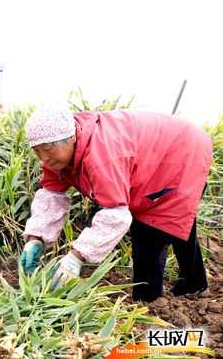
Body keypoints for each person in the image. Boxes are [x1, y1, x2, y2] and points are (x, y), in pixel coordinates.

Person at [20, 105, 212, 302]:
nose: (44, 159)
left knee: (151, 229)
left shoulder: (102, 156)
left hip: (182, 155)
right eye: (37, 151)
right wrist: (36, 238)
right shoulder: (60, 153)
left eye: (47, 150)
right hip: (169, 147)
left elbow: (116, 214)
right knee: (179, 219)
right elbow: (51, 195)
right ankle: (195, 283)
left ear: (71, 138)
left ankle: (147, 303)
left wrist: (76, 258)